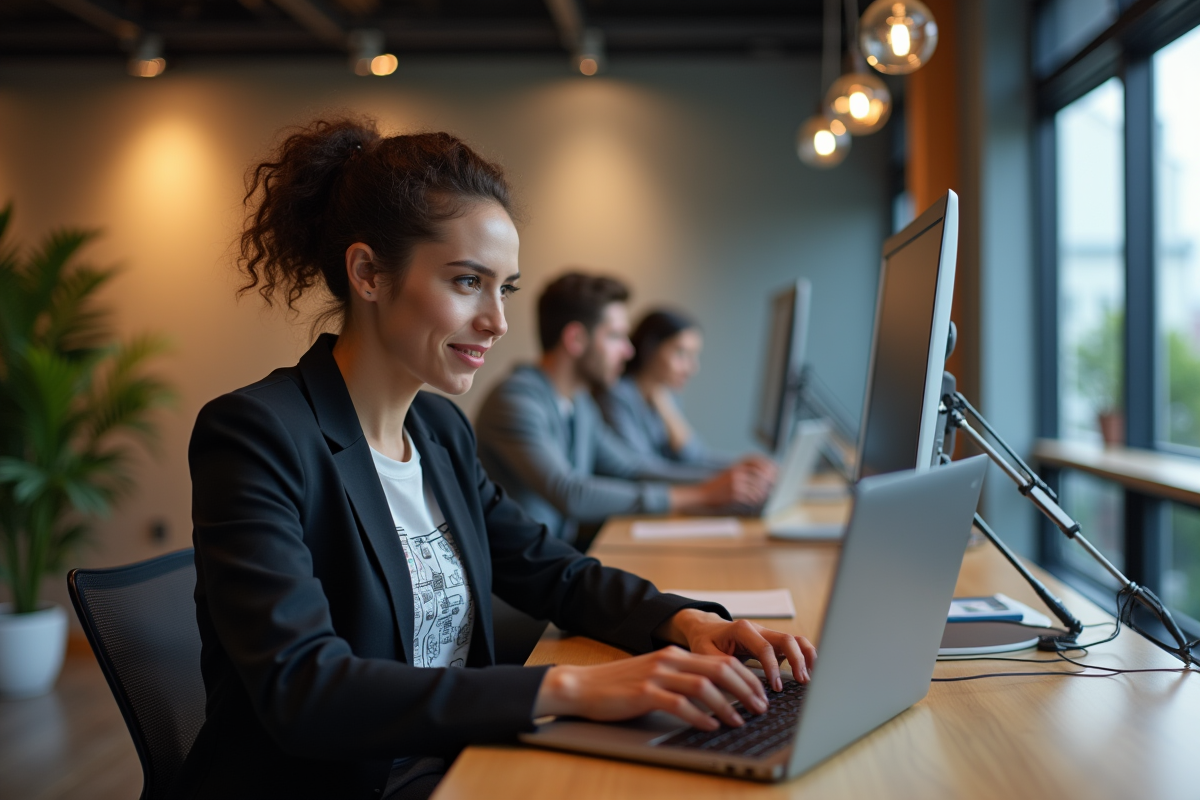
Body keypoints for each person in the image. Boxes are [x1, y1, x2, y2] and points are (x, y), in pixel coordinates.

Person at [177, 118, 815, 800]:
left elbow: (549, 569)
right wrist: (575, 686)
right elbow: (305, 688)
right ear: (366, 272)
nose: (497, 321)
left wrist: (686, 623)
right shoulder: (257, 434)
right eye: (465, 282)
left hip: (452, 764)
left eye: (503, 288)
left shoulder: (439, 431)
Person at [475, 274, 777, 547]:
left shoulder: (580, 404)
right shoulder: (514, 400)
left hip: (553, 564)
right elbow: (570, 493)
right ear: (576, 339)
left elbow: (632, 467)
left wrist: (732, 475)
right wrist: (703, 495)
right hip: (510, 586)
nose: (629, 351)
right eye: (616, 336)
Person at [600, 308, 765, 471]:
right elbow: (644, 469)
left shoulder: (664, 396)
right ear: (649, 348)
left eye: (694, 355)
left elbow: (694, 456)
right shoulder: (616, 396)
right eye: (681, 353)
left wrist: (740, 465)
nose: (692, 368)